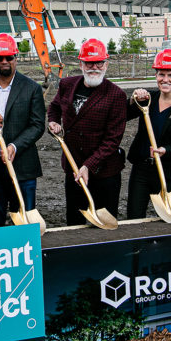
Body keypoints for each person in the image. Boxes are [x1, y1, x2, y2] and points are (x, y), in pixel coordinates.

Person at [47, 38, 127, 225]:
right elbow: (55, 107)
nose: (94, 67)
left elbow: (112, 140)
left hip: (104, 172)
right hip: (73, 167)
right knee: (75, 224)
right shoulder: (67, 84)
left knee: (104, 226)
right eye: (89, 62)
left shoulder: (116, 95)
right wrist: (53, 122)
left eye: (99, 62)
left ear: (106, 64)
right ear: (81, 64)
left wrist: (88, 165)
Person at [0, 33, 45, 228]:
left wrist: (14, 146)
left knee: (25, 223)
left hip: (22, 166)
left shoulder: (32, 88)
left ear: (16, 58)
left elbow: (38, 125)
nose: (4, 62)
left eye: (9, 57)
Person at [126, 49, 171, 219]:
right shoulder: (147, 100)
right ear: (156, 75)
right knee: (134, 218)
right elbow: (122, 116)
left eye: (170, 75)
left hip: (169, 172)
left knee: (170, 222)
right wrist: (132, 99)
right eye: (161, 74)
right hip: (142, 171)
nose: (165, 79)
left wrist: (167, 151)